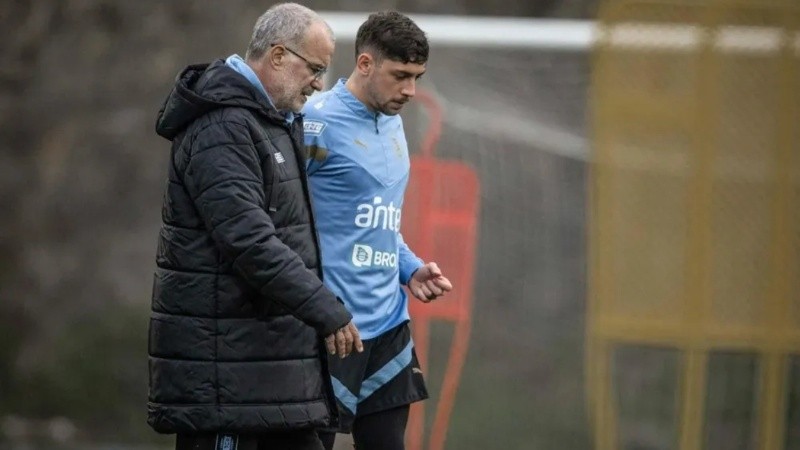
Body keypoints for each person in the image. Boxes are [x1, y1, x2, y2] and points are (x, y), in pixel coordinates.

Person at [147, 4, 363, 450]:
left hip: (267, 374)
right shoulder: (223, 125)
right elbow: (249, 241)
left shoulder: (270, 122)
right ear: (279, 55)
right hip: (227, 381)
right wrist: (325, 309)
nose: (319, 83)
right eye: (315, 68)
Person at [303, 11, 453, 450]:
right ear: (365, 64)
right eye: (400, 76)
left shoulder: (393, 122)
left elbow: (377, 218)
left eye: (417, 77)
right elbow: (282, 218)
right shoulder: (314, 122)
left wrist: (409, 268)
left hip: (389, 322)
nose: (410, 90)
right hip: (331, 326)